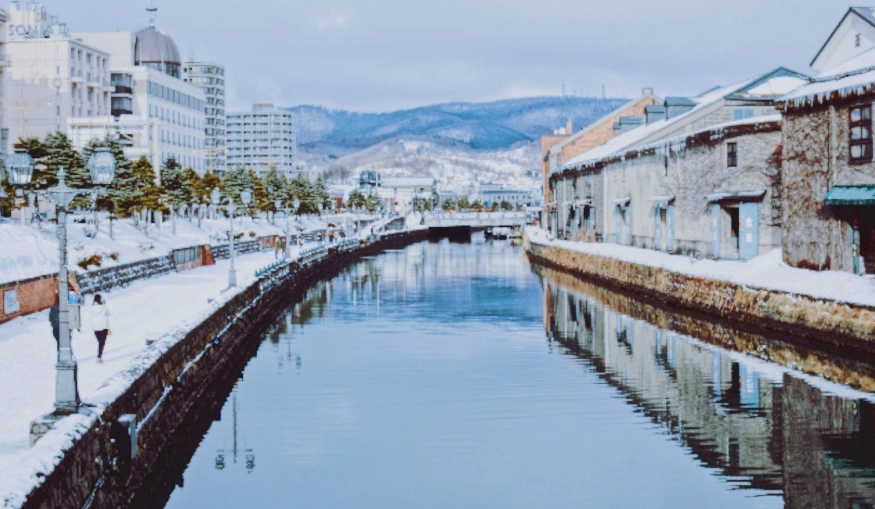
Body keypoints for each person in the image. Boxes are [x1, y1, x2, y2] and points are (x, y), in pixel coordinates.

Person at [90, 294, 111, 362]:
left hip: (95, 327)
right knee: (101, 343)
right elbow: (108, 313)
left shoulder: (92, 307)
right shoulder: (104, 307)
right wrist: (105, 303)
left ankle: (99, 355)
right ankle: (99, 357)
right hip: (103, 326)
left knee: (99, 342)